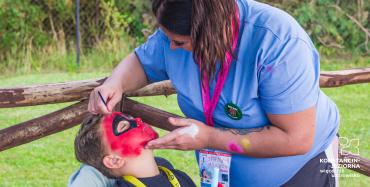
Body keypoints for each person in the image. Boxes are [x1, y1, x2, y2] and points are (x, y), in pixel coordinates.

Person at [85, 0, 340, 186]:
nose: (171, 48)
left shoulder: (277, 43)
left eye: (180, 42)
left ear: (212, 32)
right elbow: (143, 61)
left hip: (301, 172)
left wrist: (208, 138)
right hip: (222, 176)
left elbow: (297, 139)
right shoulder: (178, 30)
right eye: (168, 39)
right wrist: (115, 84)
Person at [68, 112, 196, 187]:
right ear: (114, 161)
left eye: (132, 118)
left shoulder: (180, 177)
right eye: (124, 126)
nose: (138, 120)